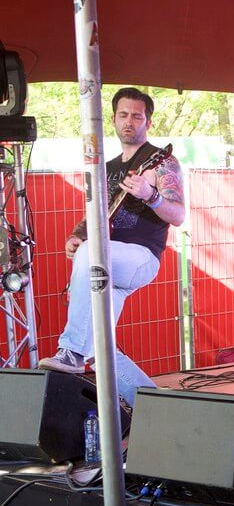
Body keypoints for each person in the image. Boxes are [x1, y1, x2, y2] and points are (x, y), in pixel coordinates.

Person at [39, 87, 186, 407]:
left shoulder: (162, 162)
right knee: (102, 348)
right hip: (104, 260)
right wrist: (78, 235)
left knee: (92, 253)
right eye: (123, 115)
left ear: (148, 120)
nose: (129, 121)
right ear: (114, 119)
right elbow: (94, 216)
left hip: (140, 259)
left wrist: (151, 195)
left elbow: (178, 215)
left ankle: (72, 350)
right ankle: (155, 406)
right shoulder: (106, 169)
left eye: (136, 115)